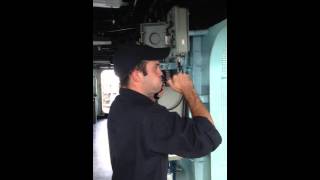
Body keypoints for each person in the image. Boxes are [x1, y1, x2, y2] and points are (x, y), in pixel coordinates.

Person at [107, 42, 222, 180]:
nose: (161, 72)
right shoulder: (150, 115)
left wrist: (151, 97)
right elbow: (208, 138)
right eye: (156, 66)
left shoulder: (119, 105)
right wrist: (189, 91)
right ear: (137, 75)